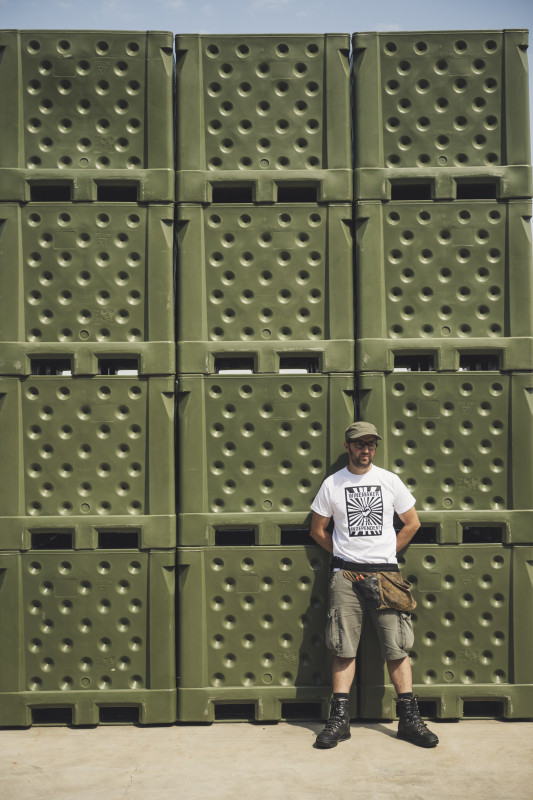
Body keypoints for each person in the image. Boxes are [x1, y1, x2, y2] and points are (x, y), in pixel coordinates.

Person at [309, 421, 439, 749]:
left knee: (397, 647)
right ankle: (339, 721)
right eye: (359, 444)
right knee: (342, 647)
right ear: (347, 446)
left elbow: (412, 523)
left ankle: (409, 720)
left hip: (387, 577)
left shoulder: (389, 481)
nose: (365, 449)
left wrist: (385, 554)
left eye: (370, 444)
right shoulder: (332, 484)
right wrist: (342, 554)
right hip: (345, 576)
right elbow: (317, 529)